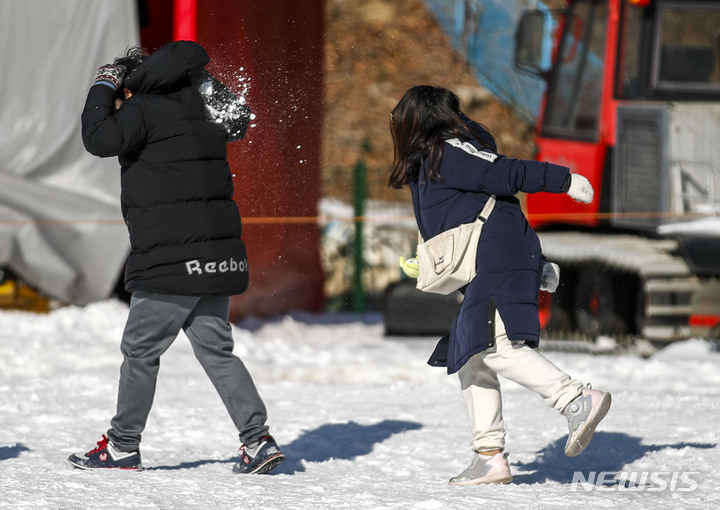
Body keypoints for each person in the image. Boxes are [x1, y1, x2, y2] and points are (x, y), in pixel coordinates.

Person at [68, 41, 284, 475]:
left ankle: (122, 445)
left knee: (140, 350)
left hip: (170, 259)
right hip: (216, 256)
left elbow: (99, 138)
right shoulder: (201, 107)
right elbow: (238, 118)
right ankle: (258, 441)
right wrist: (203, 79)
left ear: (131, 84)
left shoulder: (143, 108)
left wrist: (101, 87)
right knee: (216, 351)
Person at [389, 85, 611, 486]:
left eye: (398, 117)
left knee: (497, 348)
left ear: (415, 120)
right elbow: (469, 217)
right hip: (495, 258)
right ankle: (489, 458)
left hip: (498, 257)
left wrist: (562, 180)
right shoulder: (432, 160)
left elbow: (504, 174)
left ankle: (575, 399)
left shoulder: (449, 150)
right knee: (471, 354)